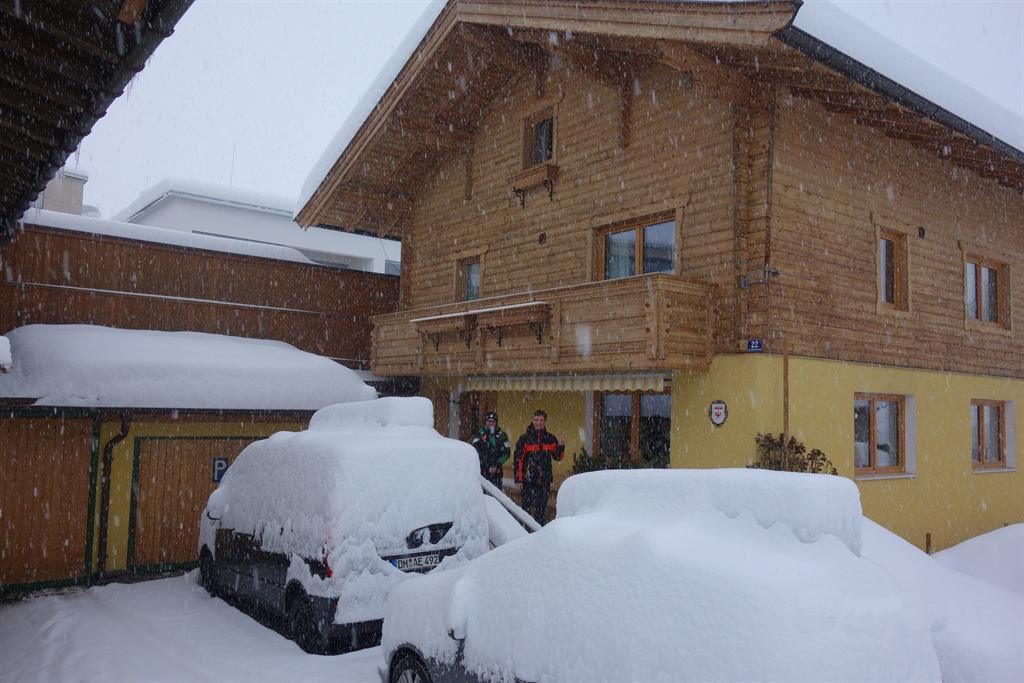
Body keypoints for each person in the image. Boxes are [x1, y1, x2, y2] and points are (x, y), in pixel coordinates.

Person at [513, 410, 564, 524]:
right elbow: (518, 460)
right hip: (528, 480)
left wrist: (561, 446)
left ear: (545, 422)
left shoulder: (550, 438)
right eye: (536, 420)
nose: (538, 423)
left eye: (541, 420)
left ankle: (538, 534)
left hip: (544, 480)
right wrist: (519, 479)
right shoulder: (524, 439)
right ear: (532, 421)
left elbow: (558, 457)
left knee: (541, 510)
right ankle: (523, 532)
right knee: (526, 510)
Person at [471, 411, 511, 489]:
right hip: (482, 472)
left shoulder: (502, 436)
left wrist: (497, 465)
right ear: (485, 422)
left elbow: (507, 453)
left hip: (497, 473)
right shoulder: (479, 435)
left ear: (496, 422)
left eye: (493, 421)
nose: (491, 423)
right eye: (489, 421)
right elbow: (476, 452)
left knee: (495, 497)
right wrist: (488, 465)